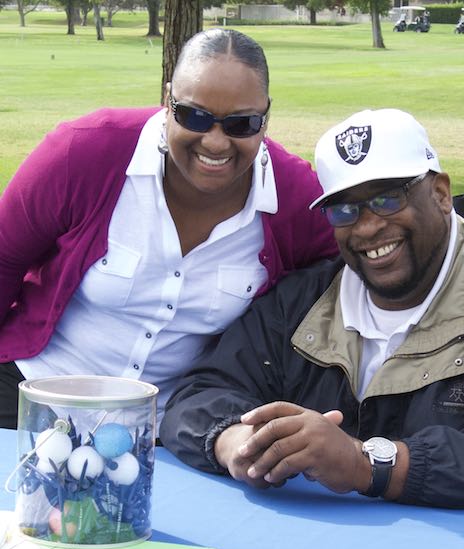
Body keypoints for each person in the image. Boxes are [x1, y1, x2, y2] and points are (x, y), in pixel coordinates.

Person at [160, 108, 464, 549]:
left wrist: (369, 465)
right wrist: (236, 442)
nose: (368, 226)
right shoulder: (303, 300)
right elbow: (197, 395)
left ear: (441, 192)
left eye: (389, 199)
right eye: (344, 209)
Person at [0, 28, 337, 429]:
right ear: (167, 101)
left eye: (241, 124)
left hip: (170, 429)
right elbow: (5, 257)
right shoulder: (85, 151)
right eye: (194, 116)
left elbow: (352, 263)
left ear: (266, 117)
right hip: (34, 393)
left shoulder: (293, 197)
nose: (215, 142)